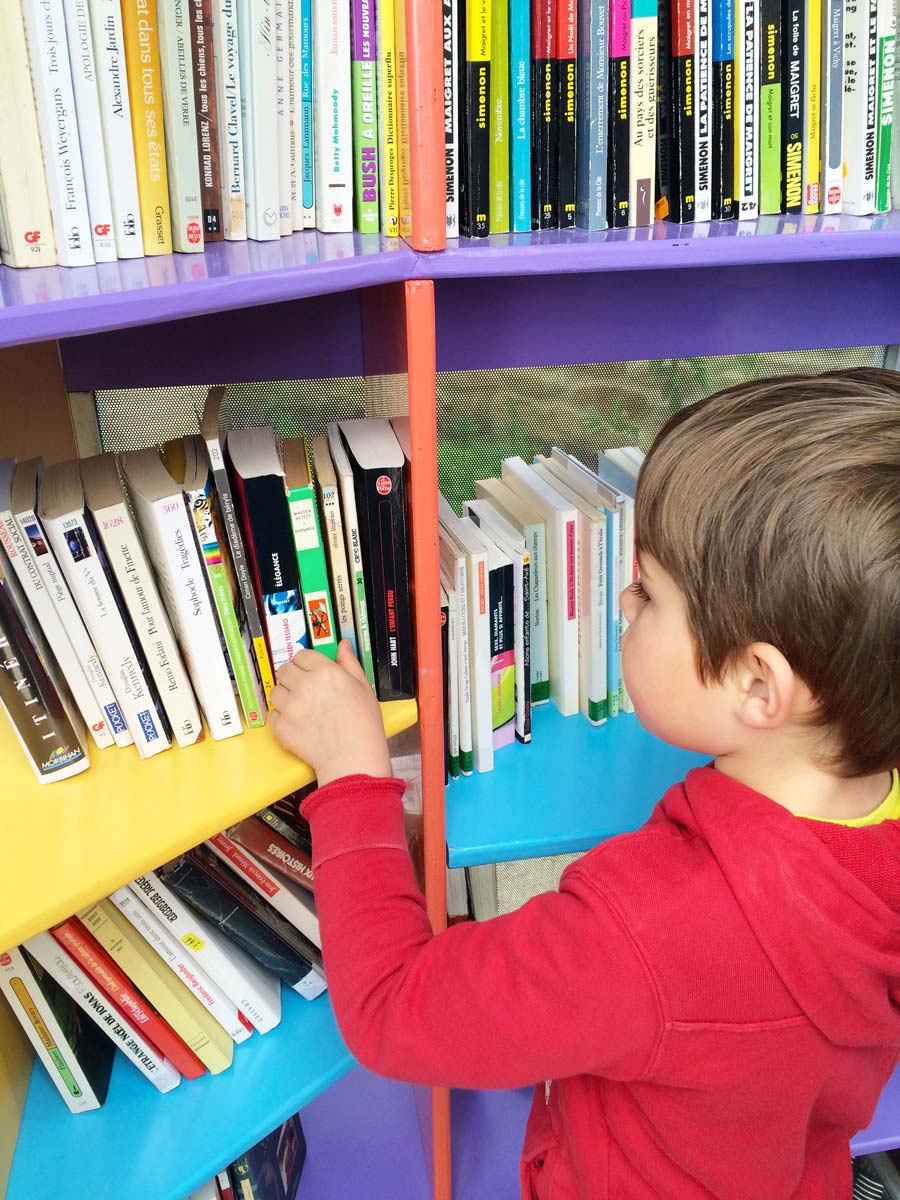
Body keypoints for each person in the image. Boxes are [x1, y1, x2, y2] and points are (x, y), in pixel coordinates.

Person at [268, 369, 900, 1199]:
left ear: (759, 686)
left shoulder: (645, 934)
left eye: (649, 592)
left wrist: (353, 773)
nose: (620, 602)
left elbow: (391, 1010)